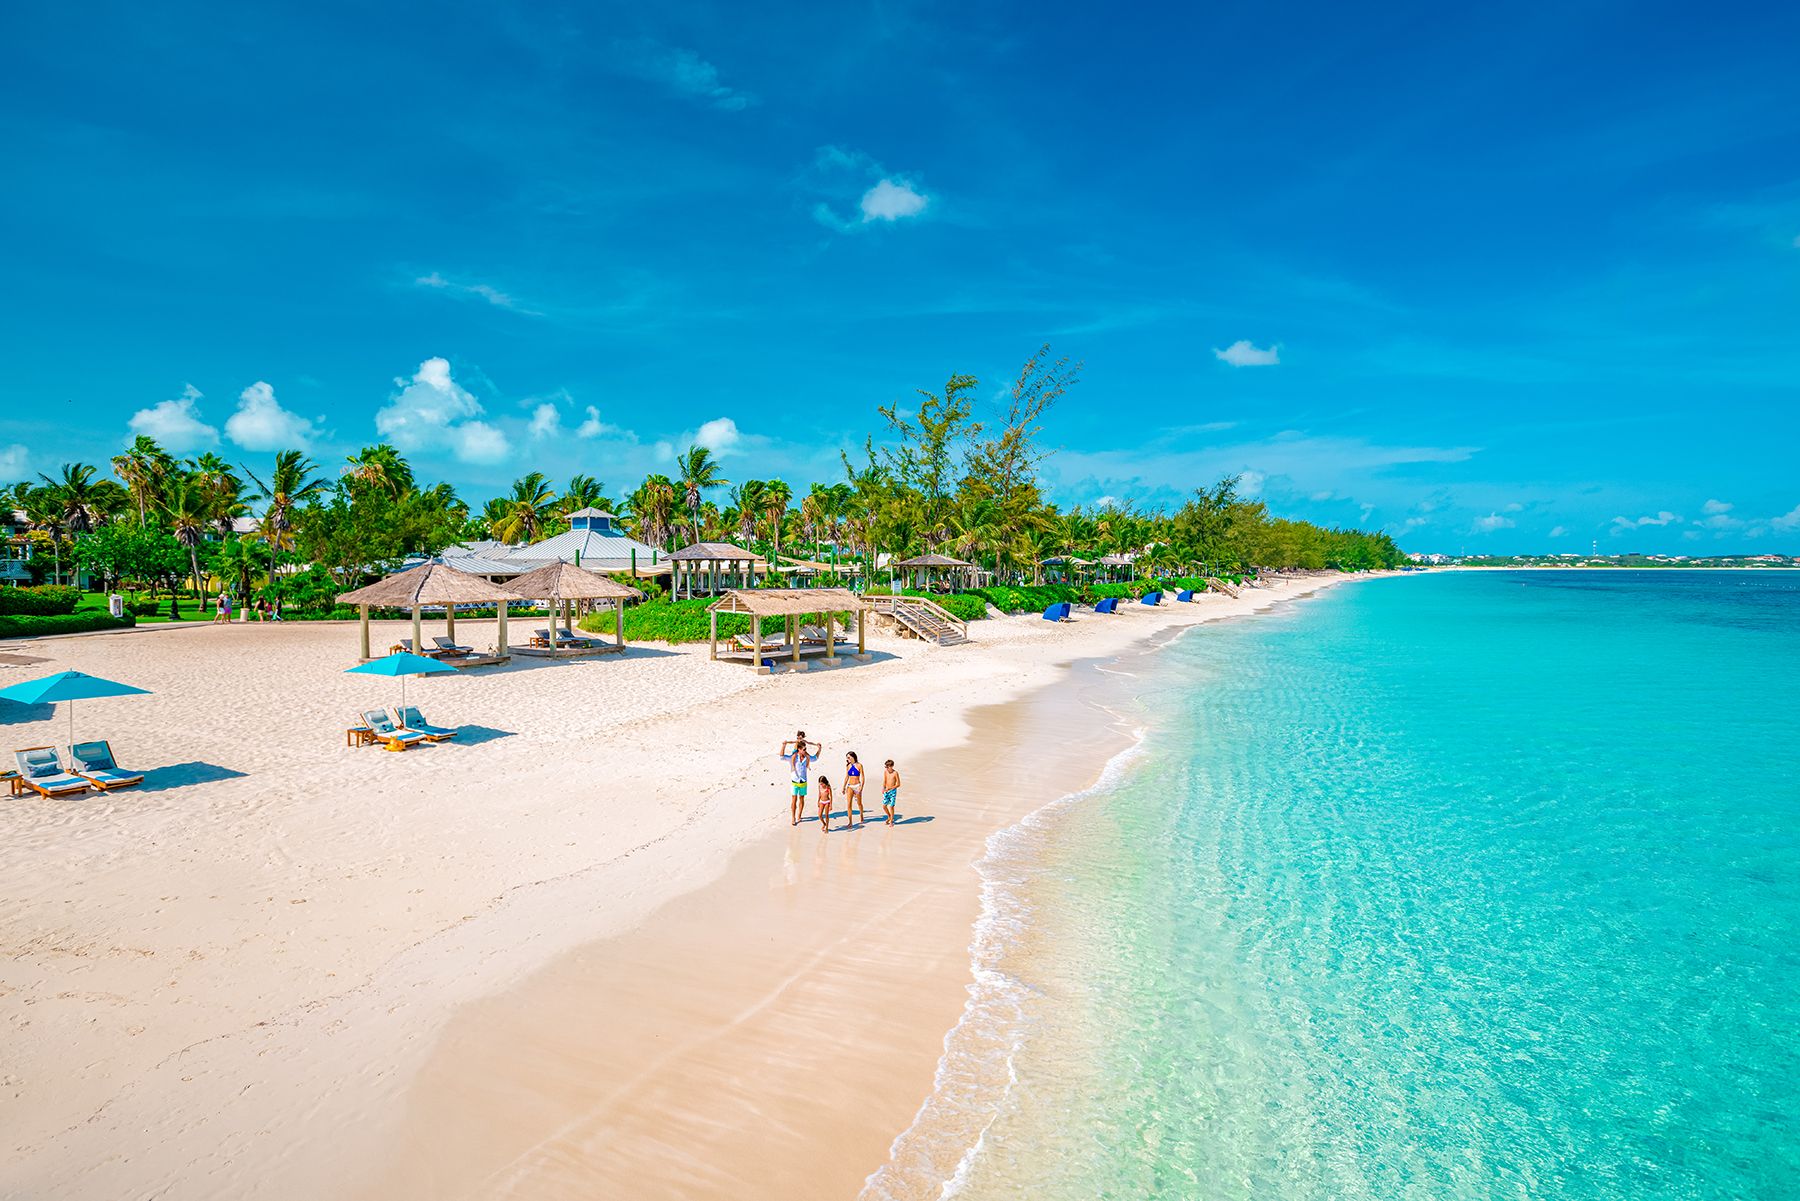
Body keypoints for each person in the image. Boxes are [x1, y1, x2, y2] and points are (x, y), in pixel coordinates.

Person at [780, 732, 820, 826]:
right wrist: (784, 745)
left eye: (805, 749)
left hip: (803, 782)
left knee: (802, 799)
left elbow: (815, 758)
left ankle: (799, 815)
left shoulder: (807, 758)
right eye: (804, 749)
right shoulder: (793, 758)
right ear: (799, 749)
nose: (805, 751)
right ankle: (793, 817)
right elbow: (782, 757)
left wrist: (819, 749)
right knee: (794, 799)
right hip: (795, 782)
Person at [844, 751, 866, 828]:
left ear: (853, 757)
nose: (848, 759)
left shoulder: (859, 765)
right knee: (849, 804)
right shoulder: (848, 766)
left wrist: (861, 787)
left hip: (857, 786)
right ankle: (850, 822)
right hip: (850, 786)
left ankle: (861, 815)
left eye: (849, 757)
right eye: (847, 758)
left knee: (859, 803)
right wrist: (844, 787)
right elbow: (847, 777)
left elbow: (863, 777)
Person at [882, 759, 901, 825]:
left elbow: (898, 784)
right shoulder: (885, 772)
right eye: (886, 767)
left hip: (892, 791)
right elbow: (884, 781)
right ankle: (889, 816)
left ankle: (891, 821)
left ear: (892, 766)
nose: (887, 768)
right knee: (884, 806)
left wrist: (890, 788)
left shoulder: (895, 773)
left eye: (888, 767)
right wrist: (883, 788)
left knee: (891, 806)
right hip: (886, 791)